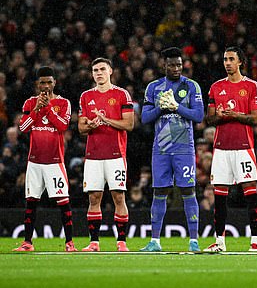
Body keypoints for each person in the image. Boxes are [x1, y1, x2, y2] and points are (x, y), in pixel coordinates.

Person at [139, 47, 205, 252]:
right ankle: (155, 242)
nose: (176, 68)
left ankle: (193, 241)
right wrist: (161, 107)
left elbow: (199, 116)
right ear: (164, 65)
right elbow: (144, 118)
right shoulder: (154, 87)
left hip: (184, 148)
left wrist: (176, 107)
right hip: (161, 149)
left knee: (188, 190)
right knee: (160, 192)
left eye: (179, 64)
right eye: (171, 65)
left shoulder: (191, 86)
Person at [204, 46, 257, 252]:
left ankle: (255, 241)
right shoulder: (216, 87)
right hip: (221, 149)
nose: (227, 63)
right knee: (220, 196)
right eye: (225, 59)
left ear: (240, 62)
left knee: (250, 194)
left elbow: (256, 118)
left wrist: (233, 114)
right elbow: (209, 118)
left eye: (231, 59)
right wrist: (219, 115)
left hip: (244, 147)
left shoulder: (252, 86)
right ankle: (220, 241)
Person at [14, 66, 76, 252]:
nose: (46, 86)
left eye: (49, 82)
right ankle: (27, 243)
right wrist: (37, 109)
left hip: (55, 162)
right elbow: (23, 128)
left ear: (55, 83)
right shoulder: (29, 103)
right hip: (34, 162)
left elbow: (63, 125)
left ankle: (69, 243)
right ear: (37, 84)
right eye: (42, 82)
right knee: (31, 202)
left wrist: (47, 107)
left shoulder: (64, 103)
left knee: (63, 202)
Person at [78, 58, 134, 252]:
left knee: (119, 197)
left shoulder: (121, 94)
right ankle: (94, 242)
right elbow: (80, 127)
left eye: (102, 69)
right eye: (95, 70)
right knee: (94, 198)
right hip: (93, 155)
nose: (99, 73)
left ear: (111, 71)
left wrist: (105, 120)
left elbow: (129, 125)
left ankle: (122, 242)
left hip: (116, 155)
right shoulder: (86, 96)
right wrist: (90, 125)